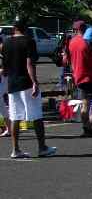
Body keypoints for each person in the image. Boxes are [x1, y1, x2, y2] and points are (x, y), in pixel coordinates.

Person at [3, 20, 57, 158]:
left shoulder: (6, 43)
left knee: (15, 117)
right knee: (36, 116)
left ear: (14, 28)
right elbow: (29, 63)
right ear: (25, 29)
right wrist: (34, 82)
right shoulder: (29, 41)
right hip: (26, 82)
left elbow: (5, 67)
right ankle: (42, 147)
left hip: (12, 83)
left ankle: (15, 149)